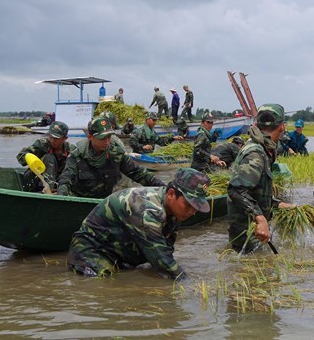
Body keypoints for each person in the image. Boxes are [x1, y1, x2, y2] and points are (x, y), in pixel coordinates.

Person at [67, 167, 211, 279]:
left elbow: (166, 249)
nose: (192, 212)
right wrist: (188, 283)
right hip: (92, 251)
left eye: (196, 207)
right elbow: (162, 259)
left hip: (120, 253)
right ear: (171, 194)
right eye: (188, 205)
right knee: (104, 284)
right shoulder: (146, 210)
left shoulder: (174, 210)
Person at [227, 103, 294, 254]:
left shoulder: (264, 148)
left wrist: (278, 204)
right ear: (282, 126)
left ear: (257, 124)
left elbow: (255, 192)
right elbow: (236, 190)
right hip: (247, 232)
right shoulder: (256, 153)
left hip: (255, 230)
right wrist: (261, 218)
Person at [57, 117, 165, 198]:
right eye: (102, 138)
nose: (107, 142)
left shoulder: (116, 154)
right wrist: (62, 198)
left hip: (103, 203)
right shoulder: (77, 156)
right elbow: (65, 180)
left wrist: (165, 188)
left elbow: (139, 173)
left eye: (109, 137)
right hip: (81, 201)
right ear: (90, 137)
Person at [16, 121, 76, 192]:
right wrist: (31, 158)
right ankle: (47, 191)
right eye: (51, 137)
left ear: (65, 138)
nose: (53, 140)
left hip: (59, 181)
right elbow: (20, 156)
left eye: (56, 138)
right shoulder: (42, 144)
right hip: (36, 179)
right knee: (49, 157)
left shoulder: (71, 150)